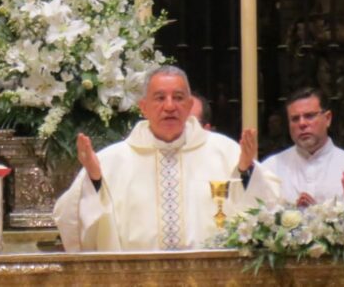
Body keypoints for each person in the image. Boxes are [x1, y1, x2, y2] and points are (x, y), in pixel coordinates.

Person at [53, 65, 280, 251]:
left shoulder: (225, 152)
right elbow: (69, 218)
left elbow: (267, 209)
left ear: (190, 105)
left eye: (178, 97)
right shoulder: (111, 160)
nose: (169, 106)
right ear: (143, 107)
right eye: (160, 98)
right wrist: (94, 180)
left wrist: (246, 172)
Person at [261, 87, 344, 207]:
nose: (302, 123)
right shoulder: (271, 169)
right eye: (295, 119)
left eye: (309, 116)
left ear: (327, 118)